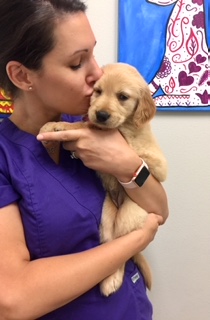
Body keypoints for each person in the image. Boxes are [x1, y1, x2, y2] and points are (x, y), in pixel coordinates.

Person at [0, 0, 169, 319]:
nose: (97, 73)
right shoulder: (5, 157)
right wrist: (134, 243)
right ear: (22, 76)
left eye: (93, 53)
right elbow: (12, 300)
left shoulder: (97, 127)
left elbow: (159, 208)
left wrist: (127, 165)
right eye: (78, 63)